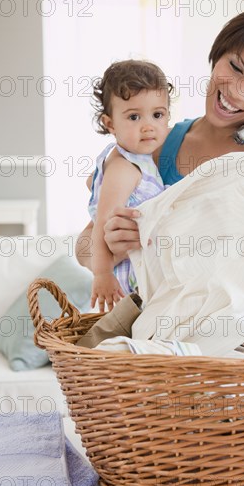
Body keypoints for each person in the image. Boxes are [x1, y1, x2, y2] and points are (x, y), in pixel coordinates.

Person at [77, 5, 244, 313]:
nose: (238, 92)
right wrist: (115, 247)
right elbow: (83, 249)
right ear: (218, 53)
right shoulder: (160, 142)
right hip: (173, 337)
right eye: (236, 67)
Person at [87, 60, 173, 312]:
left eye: (158, 115)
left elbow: (92, 182)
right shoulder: (125, 168)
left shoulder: (125, 159)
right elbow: (101, 224)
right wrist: (102, 275)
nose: (148, 126)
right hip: (132, 277)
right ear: (110, 124)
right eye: (134, 117)